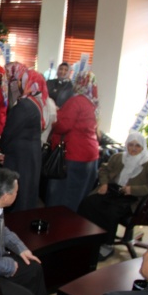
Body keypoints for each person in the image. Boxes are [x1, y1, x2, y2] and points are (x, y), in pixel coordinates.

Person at [78, 132, 148, 260]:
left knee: (111, 211)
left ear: (143, 147)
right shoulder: (118, 157)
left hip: (133, 198)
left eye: (137, 146)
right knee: (89, 202)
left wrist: (133, 189)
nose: (133, 148)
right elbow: (104, 169)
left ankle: (107, 244)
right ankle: (88, 237)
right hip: (113, 191)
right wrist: (104, 183)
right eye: (130, 145)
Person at [45, 71, 99, 212]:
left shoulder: (76, 101)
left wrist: (55, 119)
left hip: (73, 154)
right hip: (91, 155)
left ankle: (58, 222)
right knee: (79, 195)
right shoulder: (93, 103)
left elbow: (64, 125)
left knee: (62, 195)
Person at [0, 63, 47, 212]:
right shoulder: (35, 102)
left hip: (20, 158)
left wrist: (1, 148)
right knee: (27, 192)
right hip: (30, 155)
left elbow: (10, 131)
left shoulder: (24, 105)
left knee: (19, 194)